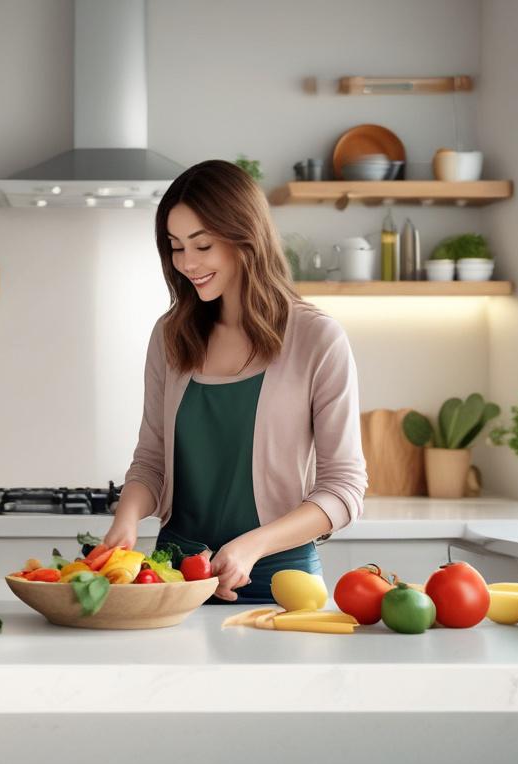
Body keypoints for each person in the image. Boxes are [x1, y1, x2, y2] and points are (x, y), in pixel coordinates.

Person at [103, 159, 368, 602]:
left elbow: (344, 487)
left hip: (280, 584)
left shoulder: (317, 338)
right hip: (173, 580)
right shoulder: (171, 336)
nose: (187, 263)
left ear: (246, 238)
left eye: (202, 245)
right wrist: (126, 520)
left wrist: (252, 546)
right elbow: (151, 460)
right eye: (175, 246)